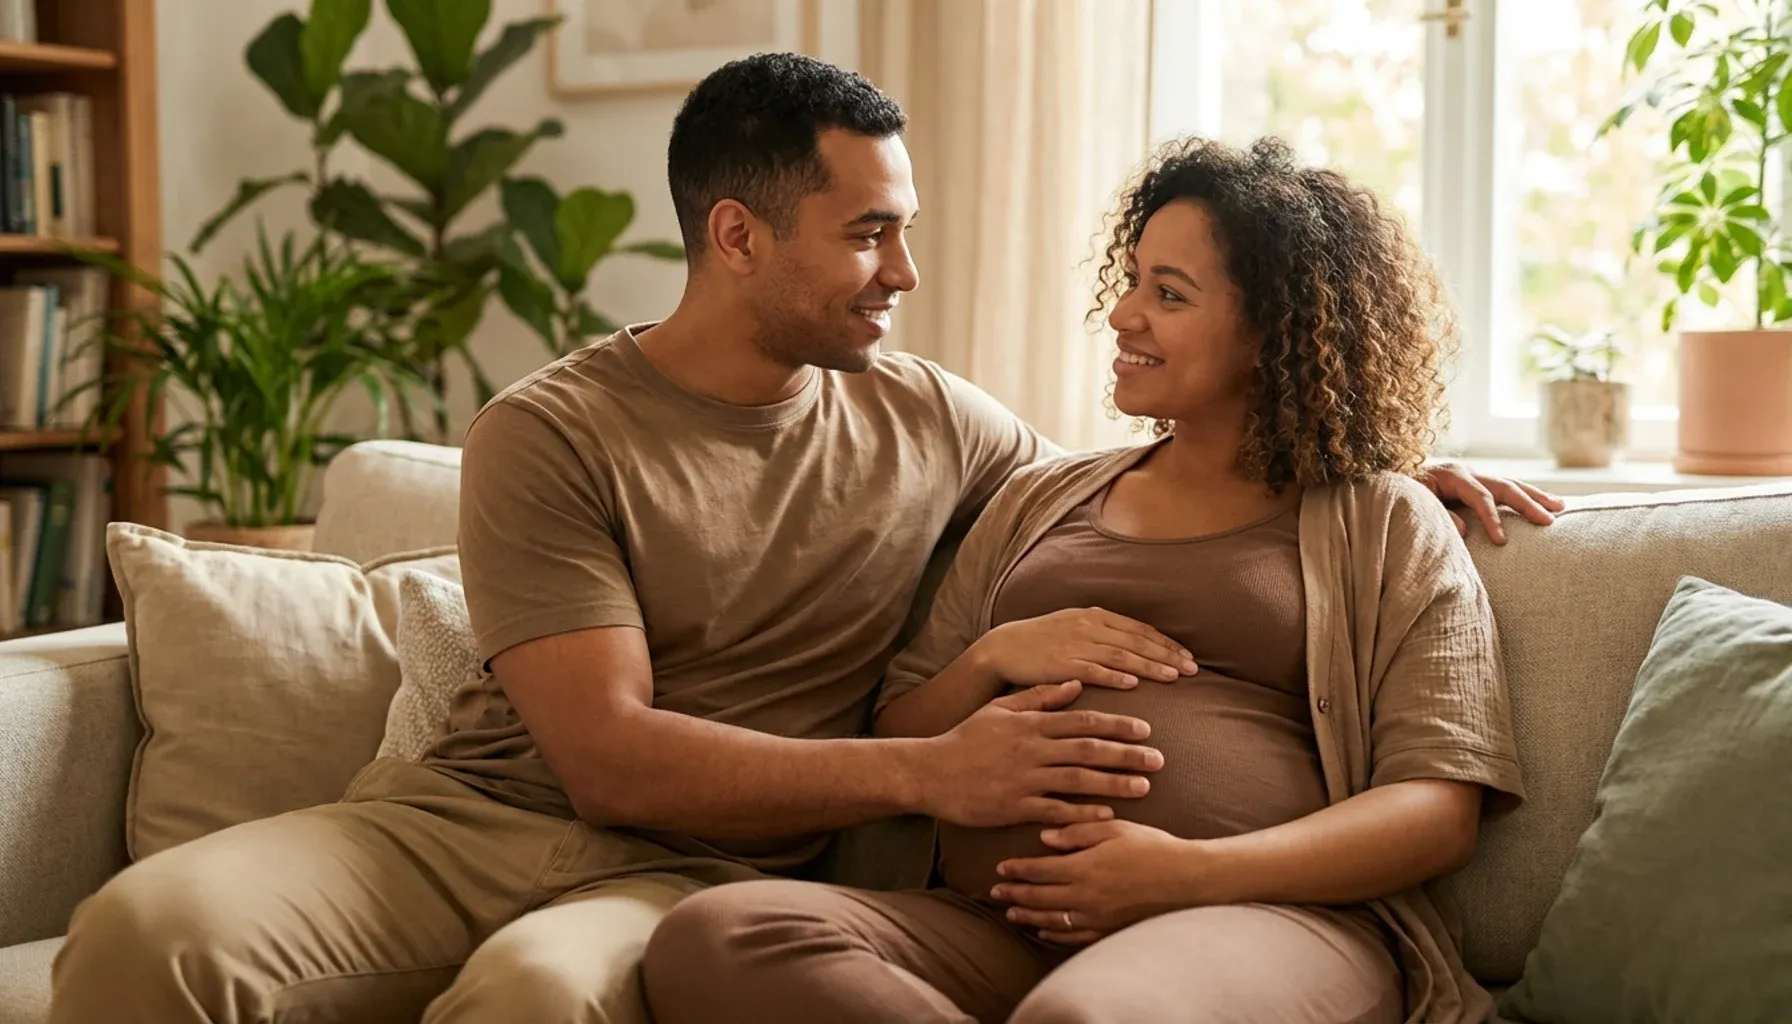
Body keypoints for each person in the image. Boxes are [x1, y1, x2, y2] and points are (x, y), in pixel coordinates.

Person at [48, 57, 1555, 1024]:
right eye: (868, 235)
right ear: (738, 237)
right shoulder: (555, 430)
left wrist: (1382, 456)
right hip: (483, 823)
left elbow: (1207, 485)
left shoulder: (954, 430)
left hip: (731, 873)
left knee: (539, 998)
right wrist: (947, 746)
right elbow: (618, 757)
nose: (906, 270)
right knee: (141, 930)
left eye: (901, 228)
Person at [641, 136, 1530, 1024]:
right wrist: (995, 656)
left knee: (1087, 1018)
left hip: (1264, 920)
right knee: (717, 934)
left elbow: (1436, 808)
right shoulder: (1038, 495)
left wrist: (1185, 873)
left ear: (1275, 330)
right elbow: (902, 724)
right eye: (1132, 281)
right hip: (994, 931)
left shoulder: (1382, 522)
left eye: (1168, 294)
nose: (1124, 315)